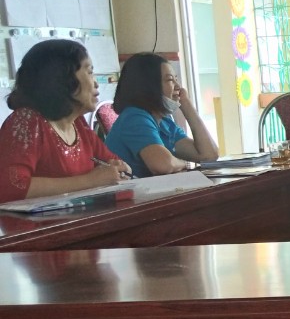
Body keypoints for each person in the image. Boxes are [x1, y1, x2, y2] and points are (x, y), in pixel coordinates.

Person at [0, 39, 131, 202]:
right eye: (89, 72)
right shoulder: (27, 121)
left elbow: (112, 163)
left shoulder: (78, 123)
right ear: (62, 77)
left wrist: (121, 169)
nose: (96, 83)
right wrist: (90, 181)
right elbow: (11, 186)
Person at [105, 53, 219, 176]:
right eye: (170, 80)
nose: (178, 87)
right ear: (148, 86)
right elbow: (163, 165)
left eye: (176, 79)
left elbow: (209, 155)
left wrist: (186, 104)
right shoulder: (134, 117)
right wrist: (187, 164)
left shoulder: (164, 122)